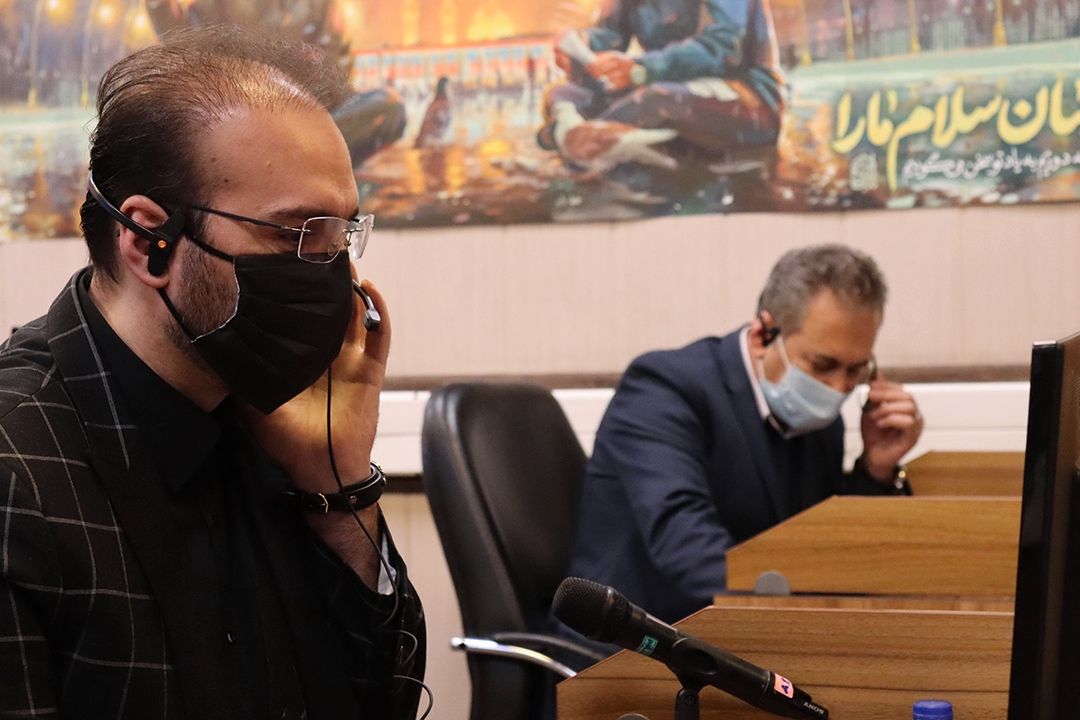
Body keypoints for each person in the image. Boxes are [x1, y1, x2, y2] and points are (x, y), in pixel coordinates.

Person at [0, 26, 425, 720]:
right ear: (149, 241)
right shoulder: (18, 472)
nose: (333, 273)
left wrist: (337, 487)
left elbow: (388, 698)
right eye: (294, 234)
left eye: (340, 234)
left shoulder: (264, 418)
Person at [565, 244, 923, 625]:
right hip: (632, 641)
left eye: (856, 370)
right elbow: (687, 549)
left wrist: (875, 470)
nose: (838, 388)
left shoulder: (819, 419)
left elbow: (822, 548)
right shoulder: (663, 390)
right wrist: (808, 615)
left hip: (741, 633)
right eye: (823, 365)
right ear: (762, 336)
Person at [538, 0, 787, 156]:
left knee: (655, 99)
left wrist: (642, 69)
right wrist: (584, 44)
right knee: (564, 93)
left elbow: (725, 47)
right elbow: (612, 35)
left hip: (746, 94)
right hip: (662, 89)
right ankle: (590, 136)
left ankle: (577, 137)